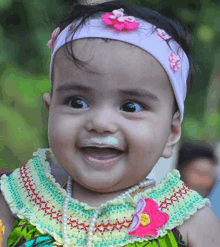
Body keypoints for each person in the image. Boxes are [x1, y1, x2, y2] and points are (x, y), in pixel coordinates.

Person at [1, 1, 220, 246]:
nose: (100, 123)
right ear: (50, 111)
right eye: (77, 102)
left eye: (131, 107)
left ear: (171, 132)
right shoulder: (17, 199)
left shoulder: (190, 223)